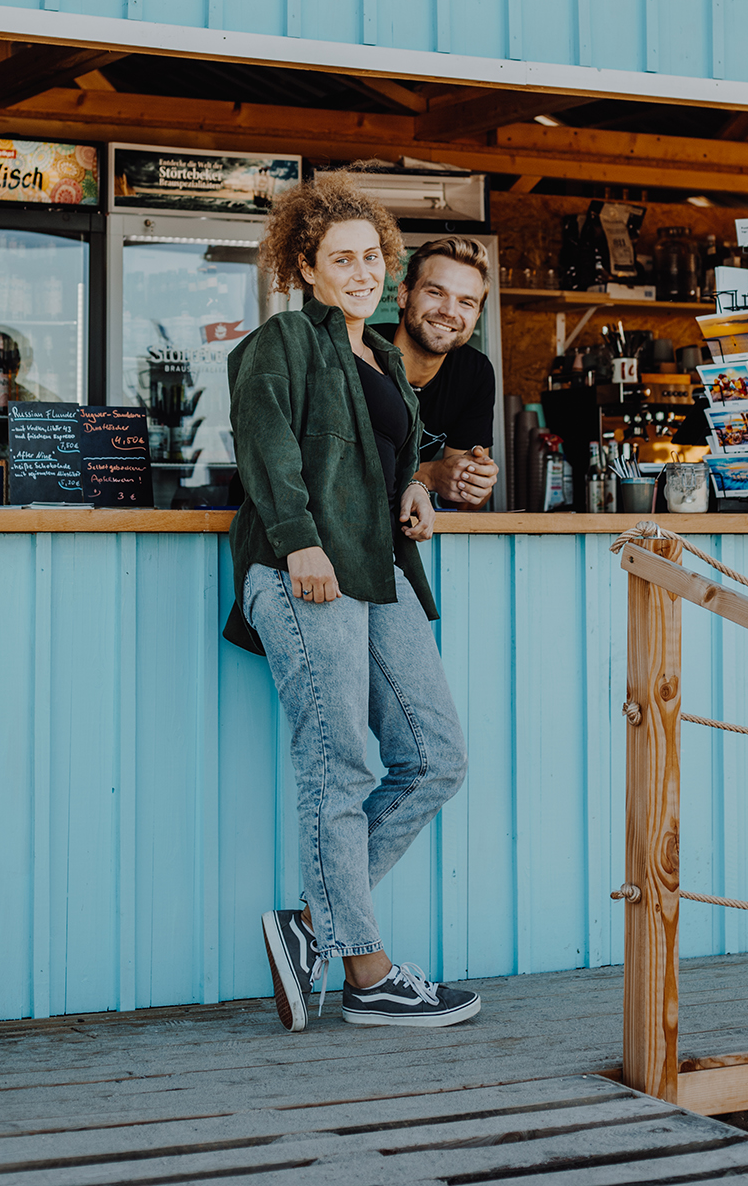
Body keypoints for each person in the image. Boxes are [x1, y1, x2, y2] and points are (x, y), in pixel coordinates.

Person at [224, 172, 479, 1033]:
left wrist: (414, 490)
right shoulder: (284, 341)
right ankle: (368, 974)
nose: (365, 271)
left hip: (379, 572)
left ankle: (313, 922)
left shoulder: (377, 354)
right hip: (307, 574)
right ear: (306, 263)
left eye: (374, 255)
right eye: (344, 258)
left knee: (434, 756)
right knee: (340, 766)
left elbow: (375, 456)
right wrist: (298, 539)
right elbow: (266, 447)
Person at [379, 237, 500, 509]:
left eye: (466, 303)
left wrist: (473, 483)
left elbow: (465, 499)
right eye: (436, 293)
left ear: (477, 315)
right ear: (403, 294)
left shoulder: (474, 374)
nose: (449, 312)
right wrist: (431, 475)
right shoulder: (360, 356)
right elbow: (340, 477)